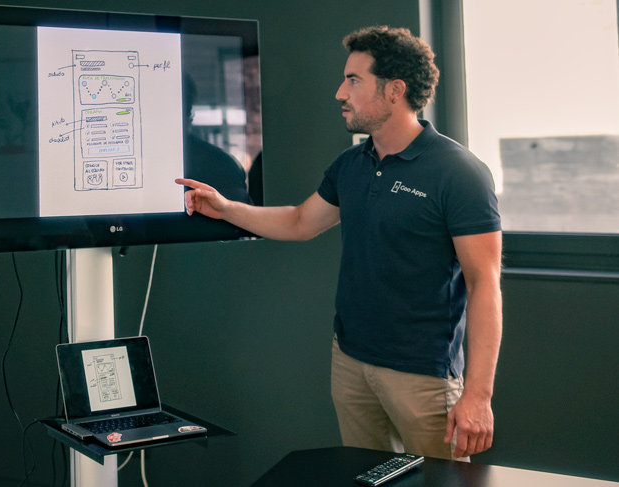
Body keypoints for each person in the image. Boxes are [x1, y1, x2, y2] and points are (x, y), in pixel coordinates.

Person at [176, 26, 502, 461]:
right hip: (351, 362)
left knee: (439, 482)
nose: (339, 93)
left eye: (353, 80)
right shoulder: (352, 163)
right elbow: (299, 222)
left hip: (423, 374)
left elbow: (484, 283)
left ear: (395, 90)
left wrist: (478, 395)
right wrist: (227, 208)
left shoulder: (458, 172)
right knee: (364, 476)